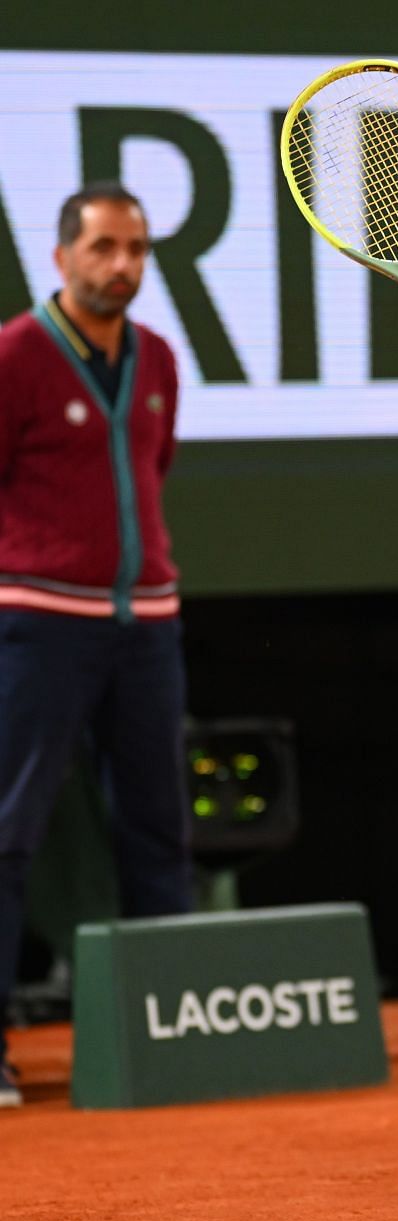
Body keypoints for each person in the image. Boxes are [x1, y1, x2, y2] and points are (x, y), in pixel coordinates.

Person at [0, 184, 193, 1107]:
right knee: (8, 834)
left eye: (137, 249)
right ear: (62, 256)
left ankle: (178, 1034)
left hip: (147, 625)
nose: (123, 264)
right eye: (105, 247)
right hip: (38, 624)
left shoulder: (157, 356)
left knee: (160, 832)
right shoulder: (14, 357)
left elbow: (155, 467)